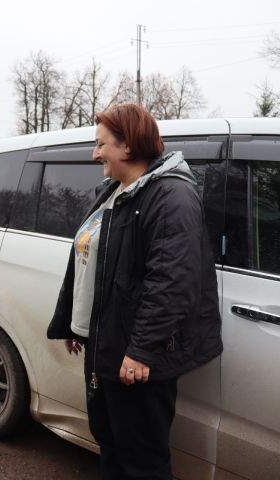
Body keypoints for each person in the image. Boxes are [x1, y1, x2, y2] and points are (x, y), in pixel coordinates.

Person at [47, 104, 222, 480]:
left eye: (101, 144)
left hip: (136, 356)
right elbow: (89, 263)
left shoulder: (171, 197)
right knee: (110, 440)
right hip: (106, 342)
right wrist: (74, 325)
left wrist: (142, 349)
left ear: (127, 147)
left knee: (141, 458)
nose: (94, 154)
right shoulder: (114, 191)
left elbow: (172, 282)